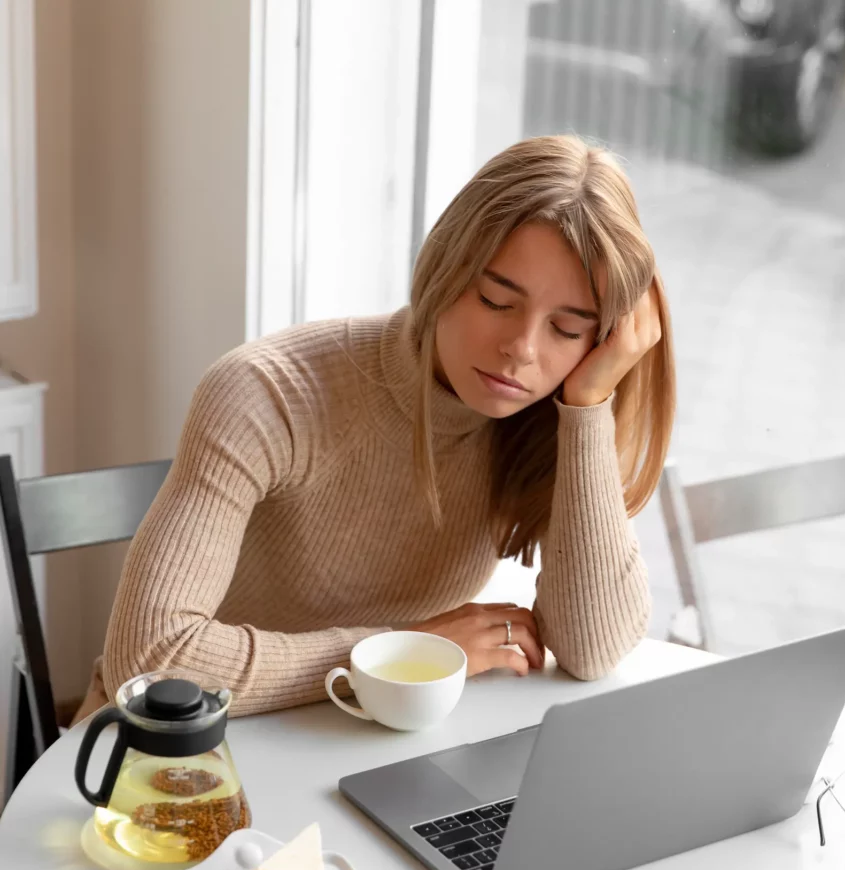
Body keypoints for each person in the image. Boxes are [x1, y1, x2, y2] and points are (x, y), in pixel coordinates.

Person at [85, 134, 674, 721]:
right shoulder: (266, 393)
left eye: (568, 330)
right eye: (497, 300)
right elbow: (151, 659)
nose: (521, 349)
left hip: (353, 740)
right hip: (163, 755)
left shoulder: (540, 419)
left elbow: (592, 650)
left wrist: (589, 405)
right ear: (445, 266)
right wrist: (399, 653)